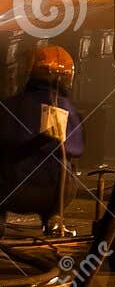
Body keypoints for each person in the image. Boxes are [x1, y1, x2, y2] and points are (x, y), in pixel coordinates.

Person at [0, 45, 85, 237]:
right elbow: (77, 149)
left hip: (11, 190)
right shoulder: (68, 109)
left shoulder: (10, 105)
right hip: (55, 193)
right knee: (69, 165)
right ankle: (54, 218)